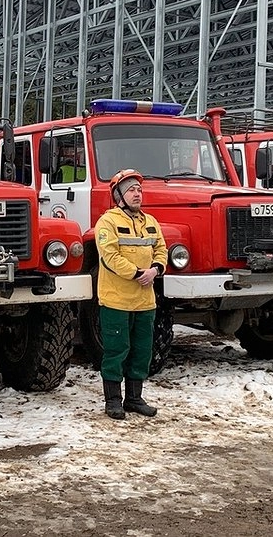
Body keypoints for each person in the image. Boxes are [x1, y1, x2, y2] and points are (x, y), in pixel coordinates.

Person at [94, 168, 168, 419]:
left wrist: (156, 269)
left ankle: (134, 399)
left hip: (145, 302)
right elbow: (110, 257)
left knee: (141, 351)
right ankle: (113, 400)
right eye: (131, 190)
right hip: (116, 301)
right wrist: (139, 273)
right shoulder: (108, 222)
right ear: (119, 196)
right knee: (116, 350)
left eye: (139, 190)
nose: (137, 194)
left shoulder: (150, 222)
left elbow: (161, 249)